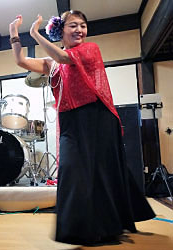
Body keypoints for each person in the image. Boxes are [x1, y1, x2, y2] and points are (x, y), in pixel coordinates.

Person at [9, 10, 155, 245]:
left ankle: (106, 227)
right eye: (73, 26)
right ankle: (81, 227)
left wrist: (35, 34)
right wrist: (14, 34)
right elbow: (21, 61)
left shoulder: (89, 49)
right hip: (70, 121)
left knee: (99, 172)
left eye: (83, 26)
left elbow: (65, 59)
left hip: (96, 117)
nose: (79, 30)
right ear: (61, 30)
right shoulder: (50, 63)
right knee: (72, 171)